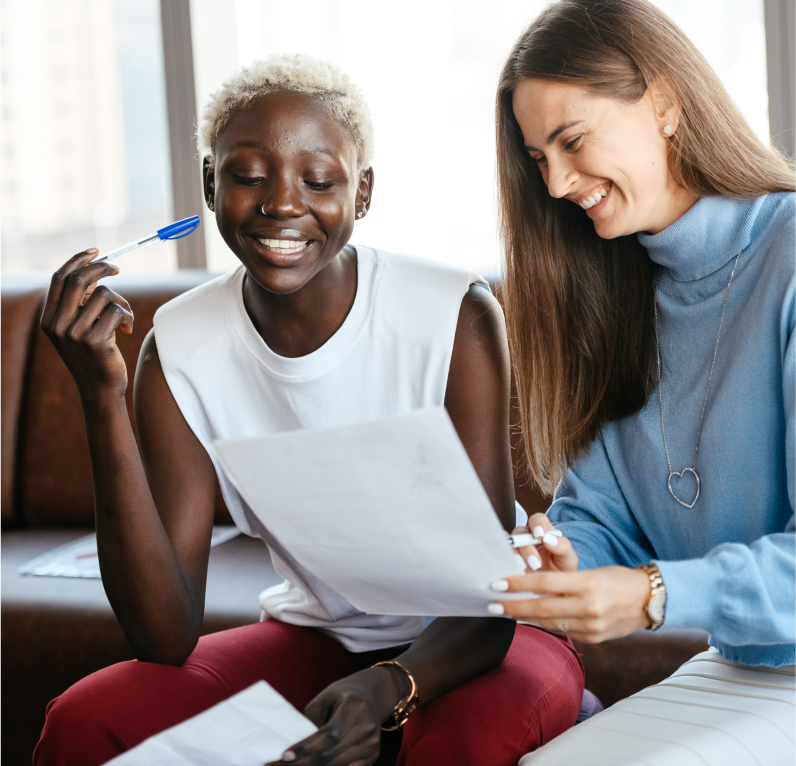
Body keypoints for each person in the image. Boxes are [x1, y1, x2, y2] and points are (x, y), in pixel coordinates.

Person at [34, 54, 583, 766]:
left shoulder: (455, 314)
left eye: (318, 180)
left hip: (488, 636)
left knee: (458, 745)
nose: (282, 204)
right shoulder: (177, 346)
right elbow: (163, 637)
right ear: (210, 183)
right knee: (87, 721)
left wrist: (388, 686)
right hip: (321, 638)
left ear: (361, 193)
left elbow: (486, 602)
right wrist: (100, 394)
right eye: (248, 175)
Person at [486, 0, 796, 764]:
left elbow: (650, 584)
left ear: (662, 102)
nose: (556, 184)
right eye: (538, 158)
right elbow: (601, 520)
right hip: (746, 666)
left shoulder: (787, 259)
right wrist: (555, 560)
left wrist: (654, 593)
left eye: (572, 140)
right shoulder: (611, 292)